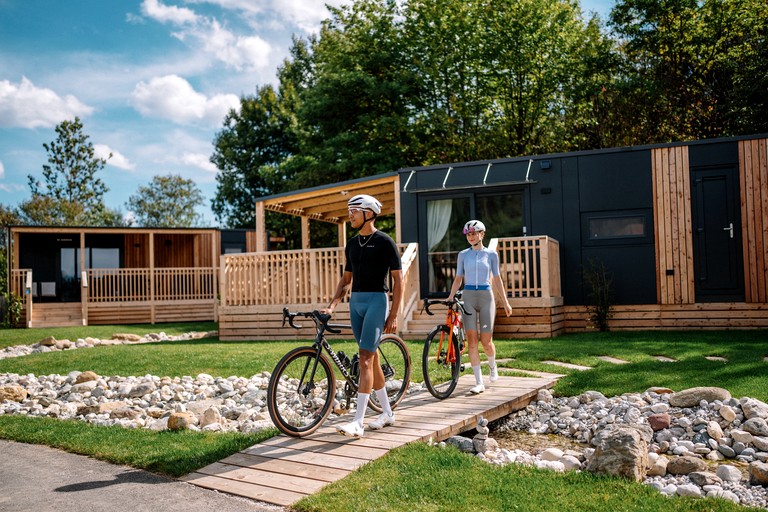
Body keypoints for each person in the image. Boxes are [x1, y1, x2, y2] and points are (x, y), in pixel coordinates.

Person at [322, 194, 403, 438]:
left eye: (354, 211)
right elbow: (346, 280)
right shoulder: (352, 244)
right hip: (356, 303)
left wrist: (394, 314)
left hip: (377, 301)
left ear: (369, 213)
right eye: (349, 211)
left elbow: (400, 280)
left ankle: (358, 422)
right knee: (372, 358)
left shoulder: (385, 242)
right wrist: (332, 306)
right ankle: (387, 413)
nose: (350, 215)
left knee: (365, 358)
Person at [446, 219, 512, 394]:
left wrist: (505, 302)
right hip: (468, 296)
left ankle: (492, 365)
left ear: (482, 234)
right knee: (472, 340)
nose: (471, 236)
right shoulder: (463, 255)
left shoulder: (491, 255)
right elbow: (458, 278)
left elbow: (497, 279)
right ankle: (478, 382)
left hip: (486, 298)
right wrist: (451, 296)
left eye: (474, 233)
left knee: (486, 341)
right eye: (468, 234)